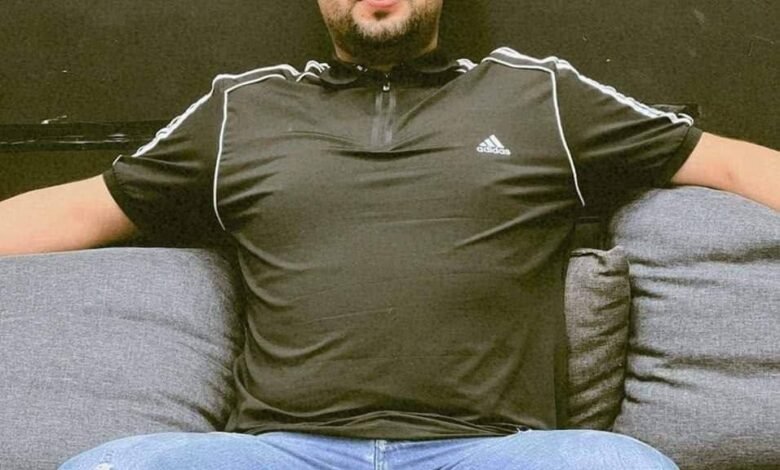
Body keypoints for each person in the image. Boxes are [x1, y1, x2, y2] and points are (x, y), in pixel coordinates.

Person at [1, 1, 778, 468]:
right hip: (281, 450)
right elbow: (82, 208)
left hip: (498, 450)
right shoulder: (240, 110)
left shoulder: (539, 94)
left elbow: (730, 163)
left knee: (614, 464)